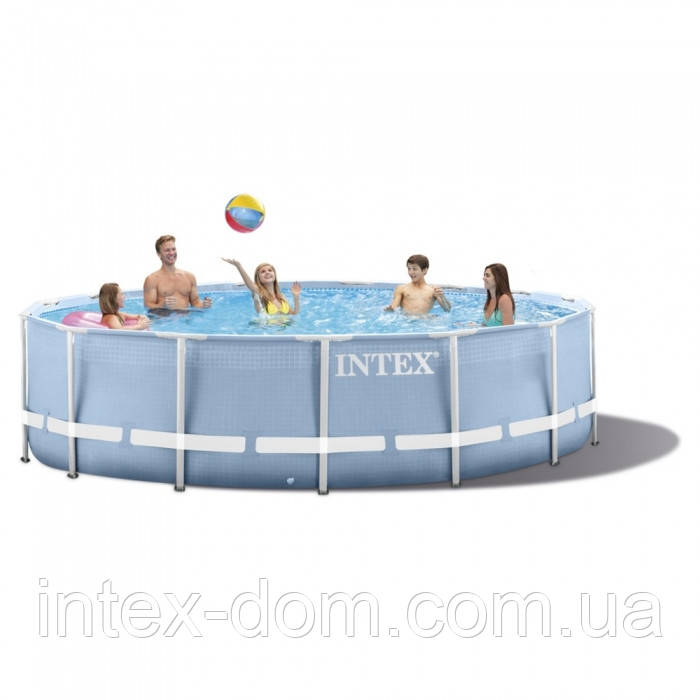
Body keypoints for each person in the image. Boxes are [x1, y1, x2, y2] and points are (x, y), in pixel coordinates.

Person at [143, 235, 212, 310]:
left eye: (173, 249)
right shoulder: (152, 280)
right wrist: (162, 306)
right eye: (167, 250)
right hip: (164, 317)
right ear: (159, 254)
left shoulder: (189, 277)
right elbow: (148, 306)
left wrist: (203, 305)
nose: (171, 253)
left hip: (186, 317)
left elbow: (195, 302)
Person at [222, 257, 301, 315]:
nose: (267, 272)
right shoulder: (260, 294)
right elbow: (251, 285)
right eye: (263, 271)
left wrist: (296, 297)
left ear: (274, 274)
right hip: (267, 330)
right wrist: (239, 266)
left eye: (270, 270)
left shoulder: (281, 297)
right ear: (258, 278)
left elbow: (294, 314)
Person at [384, 254, 451, 315]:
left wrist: (442, 297)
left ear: (424, 270)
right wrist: (389, 310)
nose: (411, 272)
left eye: (414, 269)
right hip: (406, 321)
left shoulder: (433, 290)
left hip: (424, 321)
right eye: (409, 269)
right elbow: (394, 307)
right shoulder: (402, 288)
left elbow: (447, 309)